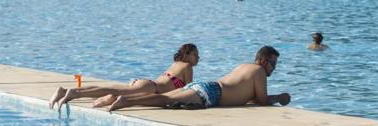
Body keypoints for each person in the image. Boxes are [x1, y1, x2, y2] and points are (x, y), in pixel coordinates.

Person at [106, 46, 290, 111]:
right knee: (166, 100)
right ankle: (126, 101)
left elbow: (251, 97)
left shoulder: (244, 67)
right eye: (273, 64)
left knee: (169, 99)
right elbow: (263, 100)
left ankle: (117, 98)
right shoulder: (259, 71)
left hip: (207, 86)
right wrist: (279, 98)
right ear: (263, 61)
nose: (273, 68)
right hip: (211, 93)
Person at [49, 43, 199, 111]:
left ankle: (66, 91)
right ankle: (74, 93)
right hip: (151, 88)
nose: (197, 58)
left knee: (109, 90)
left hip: (146, 84)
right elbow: (188, 91)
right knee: (112, 91)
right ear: (186, 55)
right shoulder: (187, 67)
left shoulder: (176, 63)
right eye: (195, 54)